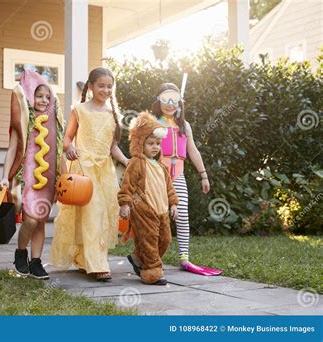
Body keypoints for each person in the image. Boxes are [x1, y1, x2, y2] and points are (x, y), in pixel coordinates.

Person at [50, 67, 129, 281]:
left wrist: (126, 161)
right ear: (91, 86)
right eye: (101, 85)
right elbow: (66, 139)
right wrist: (70, 148)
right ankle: (98, 265)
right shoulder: (80, 110)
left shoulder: (113, 115)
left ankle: (86, 260)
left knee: (102, 216)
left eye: (109, 86)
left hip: (105, 171)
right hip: (84, 169)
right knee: (91, 213)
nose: (106, 90)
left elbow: (113, 147)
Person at [0, 71, 64, 280]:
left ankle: (36, 262)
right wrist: (4, 177)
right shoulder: (24, 121)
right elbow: (11, 149)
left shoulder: (53, 123)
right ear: (29, 97)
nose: (44, 100)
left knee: (41, 221)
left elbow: (60, 150)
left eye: (47, 96)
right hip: (27, 178)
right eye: (39, 96)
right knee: (31, 220)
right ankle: (21, 252)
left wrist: (63, 178)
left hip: (48, 179)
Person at [153, 83, 222, 276]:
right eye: (165, 99)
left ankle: (184, 257)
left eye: (174, 100)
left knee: (182, 215)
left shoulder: (185, 126)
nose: (169, 104)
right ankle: (151, 256)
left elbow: (192, 150)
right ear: (158, 101)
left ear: (180, 103)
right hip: (158, 175)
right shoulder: (154, 124)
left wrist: (203, 175)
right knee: (158, 215)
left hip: (178, 176)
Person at [118, 112, 179, 285]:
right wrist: (125, 203)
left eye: (158, 143)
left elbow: (169, 188)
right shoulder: (137, 162)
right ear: (140, 144)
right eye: (150, 143)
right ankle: (152, 271)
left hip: (162, 210)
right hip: (144, 208)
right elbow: (127, 184)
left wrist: (173, 203)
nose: (155, 147)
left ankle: (138, 257)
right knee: (149, 240)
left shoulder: (161, 166)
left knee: (165, 239)